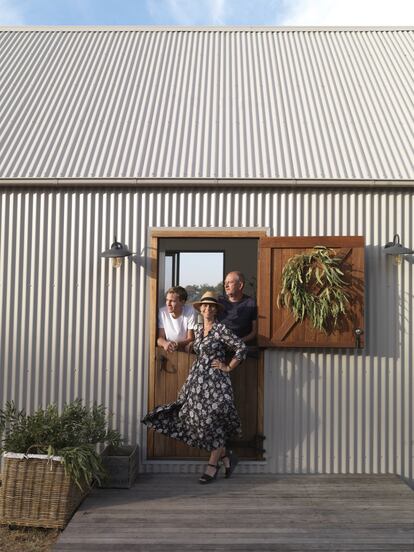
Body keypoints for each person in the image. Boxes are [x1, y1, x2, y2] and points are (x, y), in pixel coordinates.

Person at [142, 291, 247, 484]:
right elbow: (192, 346)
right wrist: (174, 345)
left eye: (211, 306)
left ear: (216, 310)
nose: (207, 309)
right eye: (204, 306)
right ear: (201, 310)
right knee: (189, 416)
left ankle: (212, 465)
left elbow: (241, 347)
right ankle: (225, 455)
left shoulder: (220, 329)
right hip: (197, 381)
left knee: (212, 420)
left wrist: (228, 366)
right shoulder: (198, 331)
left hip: (216, 382)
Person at [218, 271, 258, 344]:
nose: (226, 285)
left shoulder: (251, 303)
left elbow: (254, 332)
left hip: (242, 345)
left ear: (240, 285)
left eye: (230, 282)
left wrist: (237, 342)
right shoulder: (220, 302)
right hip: (220, 345)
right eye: (225, 283)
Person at [157, 286, 196, 352]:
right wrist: (165, 344)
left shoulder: (190, 311)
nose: (168, 304)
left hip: (184, 352)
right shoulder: (162, 312)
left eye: (172, 301)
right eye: (167, 300)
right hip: (168, 350)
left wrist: (177, 344)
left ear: (182, 302)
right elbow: (160, 338)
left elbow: (191, 338)